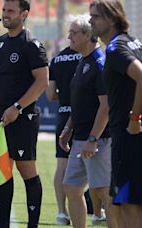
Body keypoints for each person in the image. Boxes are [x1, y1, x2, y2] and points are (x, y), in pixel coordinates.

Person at [0, 0, 49, 227]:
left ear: (24, 14)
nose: (5, 14)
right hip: (0, 116)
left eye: (11, 11)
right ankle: (3, 224)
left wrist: (17, 108)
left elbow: (42, 82)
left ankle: (33, 224)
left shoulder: (32, 45)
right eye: (4, 10)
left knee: (26, 169)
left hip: (23, 118)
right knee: (1, 170)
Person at [58, 14, 117, 228]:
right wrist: (68, 128)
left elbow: (105, 106)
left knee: (103, 192)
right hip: (80, 139)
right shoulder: (82, 62)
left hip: (97, 140)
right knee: (71, 187)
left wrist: (93, 138)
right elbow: (80, 103)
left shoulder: (100, 65)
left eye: (73, 33)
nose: (69, 37)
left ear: (89, 35)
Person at [89, 1, 142, 227]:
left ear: (111, 19)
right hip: (128, 139)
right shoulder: (134, 42)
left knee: (128, 204)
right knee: (120, 202)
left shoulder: (115, 48)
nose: (90, 20)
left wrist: (134, 118)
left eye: (95, 17)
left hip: (128, 137)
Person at [46, 45, 81, 225]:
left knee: (62, 165)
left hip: (63, 113)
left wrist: (64, 96)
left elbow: (50, 94)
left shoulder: (57, 59)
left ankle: (62, 212)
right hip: (85, 115)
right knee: (93, 165)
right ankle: (98, 212)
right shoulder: (88, 55)